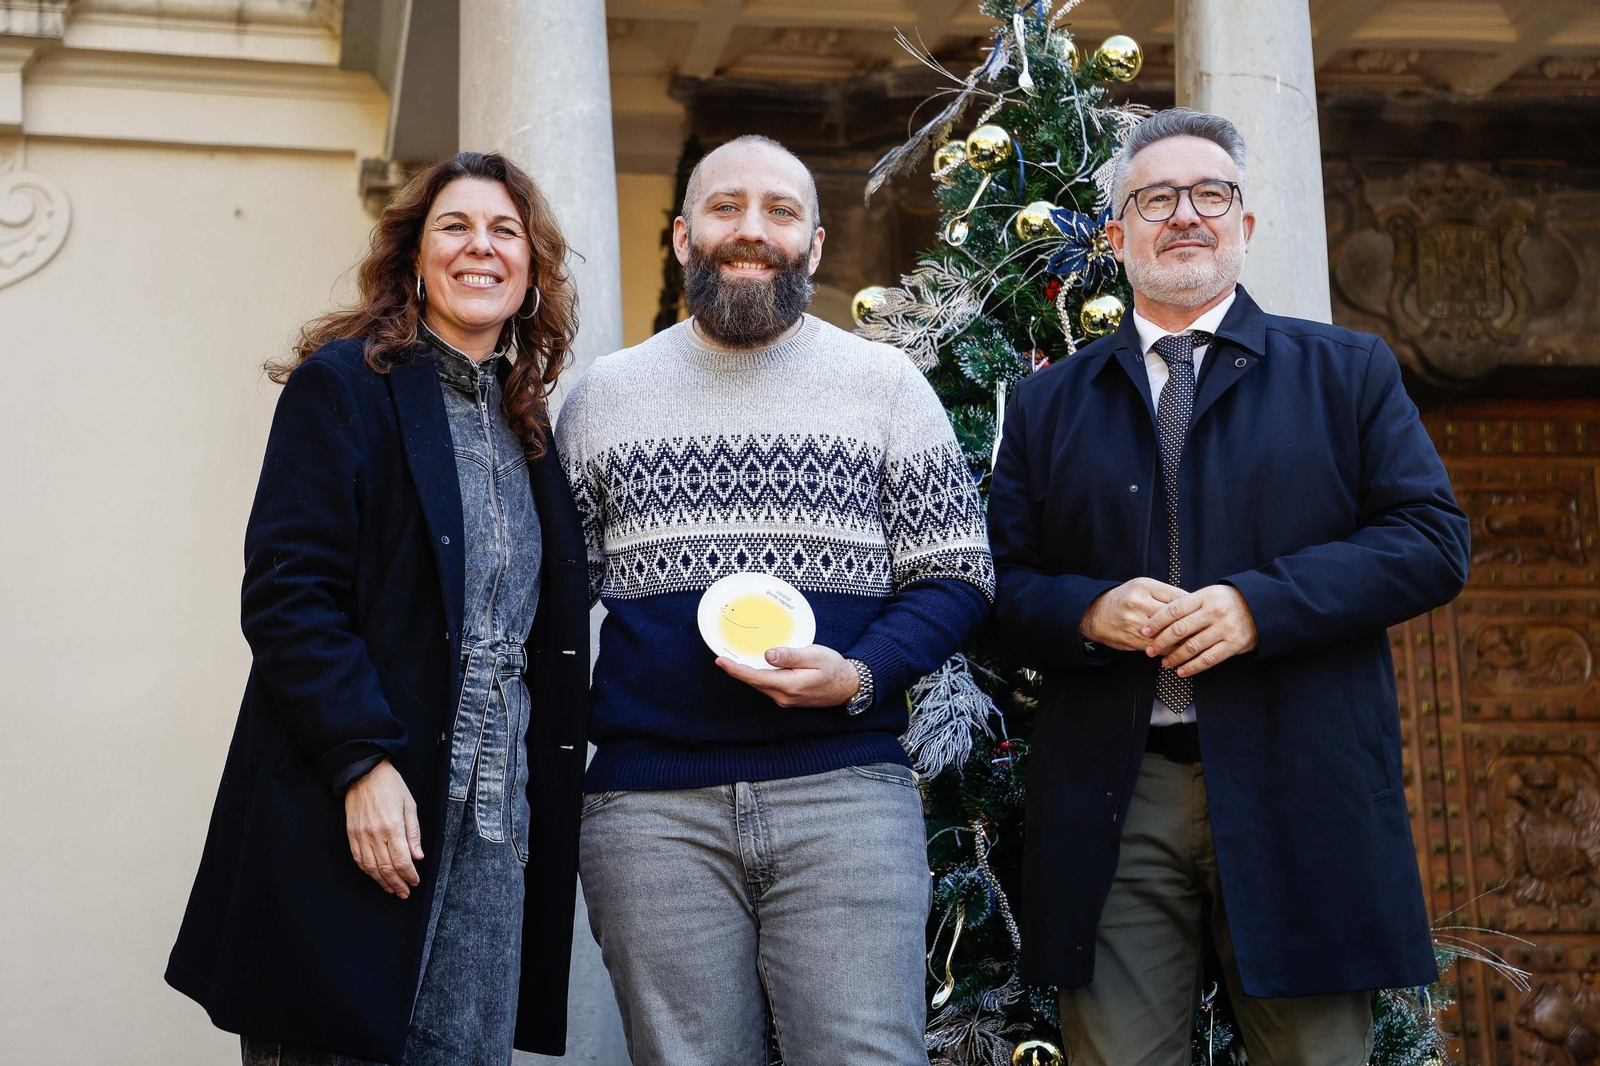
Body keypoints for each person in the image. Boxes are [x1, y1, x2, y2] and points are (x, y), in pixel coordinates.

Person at [987, 108, 1471, 1066]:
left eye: (1211, 194)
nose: (1186, 216)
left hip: (1300, 786)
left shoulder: (1347, 372)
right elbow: (993, 588)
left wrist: (1262, 605)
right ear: (1116, 234)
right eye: (1155, 198)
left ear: (1244, 225)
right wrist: (1085, 611)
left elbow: (1432, 541)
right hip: (1118, 800)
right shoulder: (1043, 405)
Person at [556, 134, 993, 1065]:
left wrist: (864, 673)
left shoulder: (886, 387)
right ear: (682, 236)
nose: (750, 232)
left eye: (780, 212)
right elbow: (553, 600)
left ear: (817, 245)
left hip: (846, 797)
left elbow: (957, 573)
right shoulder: (605, 397)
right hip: (649, 814)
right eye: (725, 208)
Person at [165, 151, 592, 1066]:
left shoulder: (530, 429)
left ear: (530, 273)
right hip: (357, 808)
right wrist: (359, 761)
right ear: (413, 258)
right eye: (456, 227)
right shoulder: (345, 386)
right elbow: (288, 593)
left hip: (494, 830)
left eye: (505, 231)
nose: (481, 248)